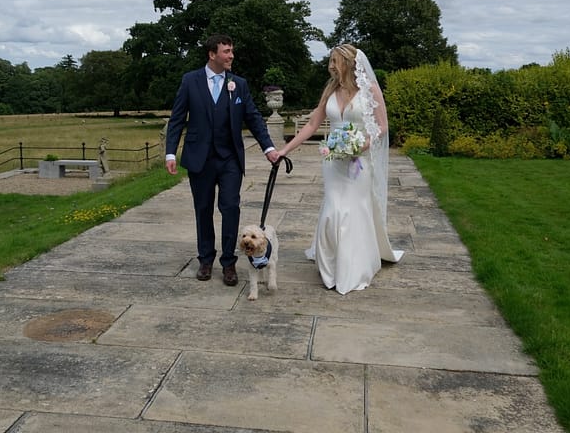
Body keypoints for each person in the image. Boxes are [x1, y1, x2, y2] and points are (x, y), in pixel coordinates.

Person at [277, 44, 403, 294]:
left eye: (335, 61)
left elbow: (382, 126)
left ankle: (353, 268)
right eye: (331, 60)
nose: (331, 65)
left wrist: (362, 145)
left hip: (359, 162)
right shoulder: (330, 91)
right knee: (333, 210)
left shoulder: (371, 91)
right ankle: (330, 265)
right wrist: (284, 150)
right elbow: (312, 124)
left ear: (348, 62)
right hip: (332, 162)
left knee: (353, 212)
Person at [165, 34, 281, 286]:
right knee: (203, 210)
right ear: (212, 54)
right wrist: (171, 152)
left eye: (231, 51)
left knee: (230, 208)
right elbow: (177, 119)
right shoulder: (190, 81)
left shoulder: (238, 84)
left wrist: (269, 148)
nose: (231, 56)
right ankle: (205, 259)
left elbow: (253, 117)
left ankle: (229, 262)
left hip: (229, 160)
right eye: (226, 51)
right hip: (200, 159)